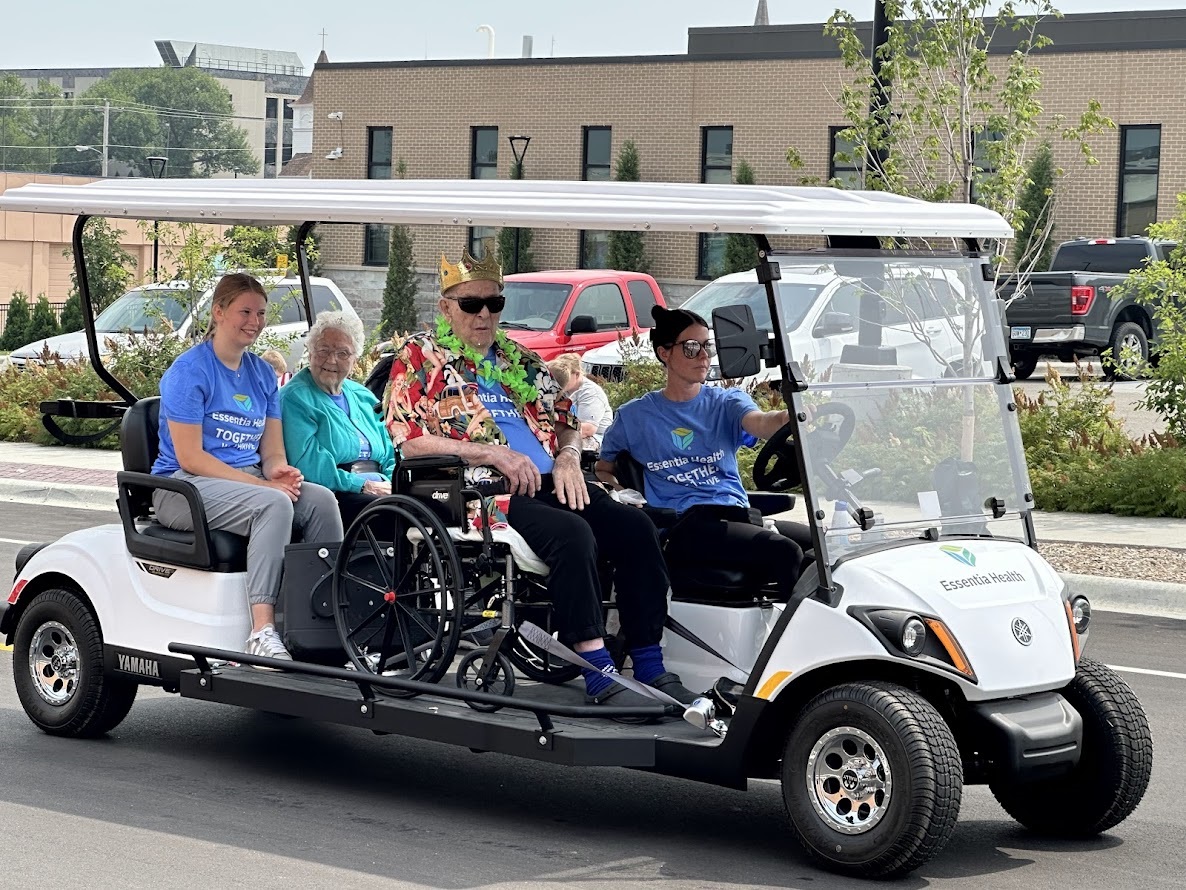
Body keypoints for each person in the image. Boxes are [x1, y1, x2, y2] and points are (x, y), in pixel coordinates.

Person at [385, 245, 697, 709]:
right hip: (477, 489)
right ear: (446, 307)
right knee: (571, 535)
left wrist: (569, 455)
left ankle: (649, 663)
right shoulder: (417, 359)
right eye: (471, 304)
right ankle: (597, 670)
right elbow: (408, 439)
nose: (484, 315)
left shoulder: (519, 359)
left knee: (636, 529)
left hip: (554, 479)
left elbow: (568, 421)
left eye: (495, 303)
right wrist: (490, 453)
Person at [151, 272, 344, 664]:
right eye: (244, 311)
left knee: (320, 500)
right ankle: (261, 631)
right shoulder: (189, 372)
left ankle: (321, 623)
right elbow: (191, 458)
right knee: (273, 505)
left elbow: (270, 452)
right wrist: (264, 488)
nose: (254, 321)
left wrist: (278, 472)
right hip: (181, 488)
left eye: (260, 312)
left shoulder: (260, 374)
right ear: (218, 312)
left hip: (240, 483)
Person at [596, 305, 808, 600]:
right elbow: (603, 468)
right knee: (786, 551)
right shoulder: (635, 417)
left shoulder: (726, 402)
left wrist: (787, 417)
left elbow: (760, 422)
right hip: (683, 524)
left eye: (707, 346)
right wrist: (623, 496)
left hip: (736, 514)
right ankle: (789, 643)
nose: (704, 356)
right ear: (664, 352)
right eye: (691, 347)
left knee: (823, 552)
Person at [280, 310, 396, 528]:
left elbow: (391, 450)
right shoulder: (295, 398)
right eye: (323, 350)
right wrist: (364, 486)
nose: (331, 360)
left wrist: (394, 483)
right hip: (336, 494)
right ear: (310, 352)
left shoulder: (363, 396)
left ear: (355, 360)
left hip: (381, 490)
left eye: (343, 353)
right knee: (398, 516)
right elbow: (308, 466)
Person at [546, 352, 613, 454]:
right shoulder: (563, 389)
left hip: (597, 437)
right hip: (568, 429)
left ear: (576, 374)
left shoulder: (591, 393)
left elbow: (588, 429)